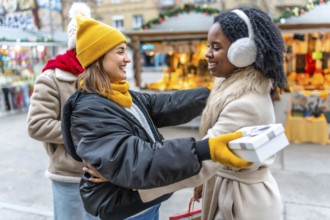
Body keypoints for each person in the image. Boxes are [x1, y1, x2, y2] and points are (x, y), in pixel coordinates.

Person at [61, 15, 251, 220]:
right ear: (98, 58)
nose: (127, 58)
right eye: (120, 51)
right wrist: (205, 149)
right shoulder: (90, 110)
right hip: (122, 213)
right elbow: (136, 160)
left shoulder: (122, 96)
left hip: (142, 204)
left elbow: (167, 105)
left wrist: (216, 95)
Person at [112, 7, 286, 220]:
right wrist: (205, 182)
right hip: (227, 189)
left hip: (242, 204)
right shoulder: (230, 85)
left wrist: (128, 180)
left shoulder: (246, 103)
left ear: (242, 52)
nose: (208, 54)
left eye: (216, 47)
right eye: (208, 46)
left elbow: (205, 159)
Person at [26, 3, 99, 220]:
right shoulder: (51, 78)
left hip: (103, 174)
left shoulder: (101, 75)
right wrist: (85, 133)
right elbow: (36, 125)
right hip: (69, 176)